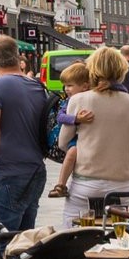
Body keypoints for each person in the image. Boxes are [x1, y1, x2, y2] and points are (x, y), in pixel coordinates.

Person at [55, 47, 129, 224]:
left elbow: (63, 142)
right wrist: (119, 155)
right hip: (122, 186)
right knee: (120, 241)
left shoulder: (79, 100)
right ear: (122, 71)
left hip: (85, 185)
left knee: (75, 238)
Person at [0, 34, 54, 234]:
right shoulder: (37, 86)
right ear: (17, 56)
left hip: (7, 171)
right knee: (24, 239)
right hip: (35, 170)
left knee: (2, 240)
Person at [47, 63, 93, 199]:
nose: (66, 89)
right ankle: (61, 184)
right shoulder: (68, 100)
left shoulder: (91, 98)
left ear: (84, 86)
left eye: (70, 85)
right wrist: (76, 119)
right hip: (75, 137)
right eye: (65, 85)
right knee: (72, 153)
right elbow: (60, 117)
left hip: (88, 136)